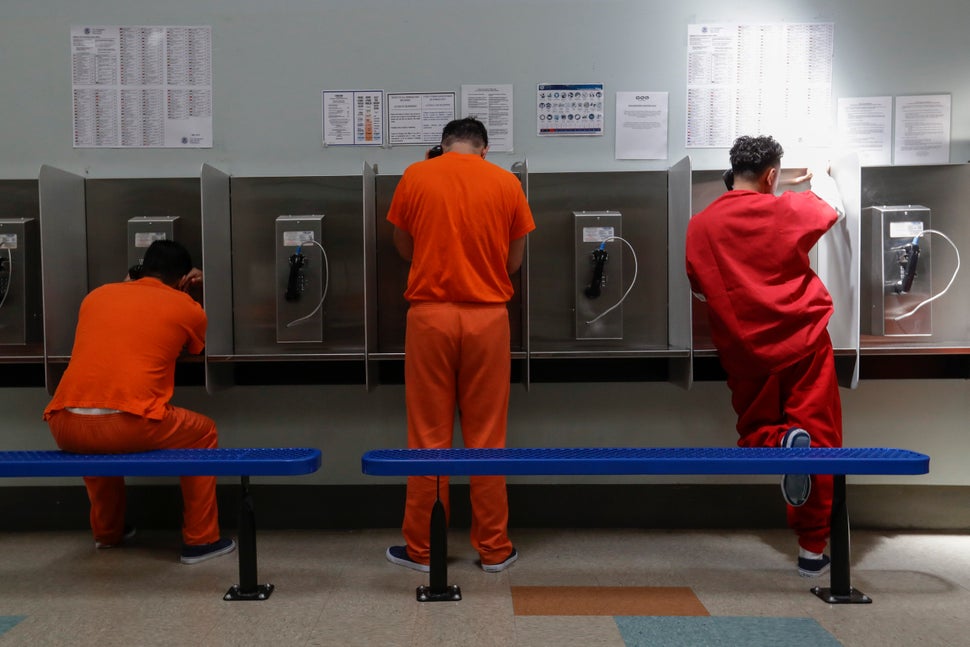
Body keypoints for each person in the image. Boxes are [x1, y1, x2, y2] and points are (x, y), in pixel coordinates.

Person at [685, 135, 846, 577]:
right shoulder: (786, 208)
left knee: (754, 429)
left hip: (745, 351)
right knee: (821, 438)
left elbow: (699, 287)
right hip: (805, 342)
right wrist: (823, 172)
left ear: (731, 173)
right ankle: (813, 553)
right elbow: (834, 208)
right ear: (771, 175)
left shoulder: (701, 225)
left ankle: (779, 443)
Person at [385, 117, 535, 573]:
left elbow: (404, 247)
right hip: (488, 319)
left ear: (443, 146)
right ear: (484, 149)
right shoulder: (506, 182)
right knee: (487, 437)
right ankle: (493, 548)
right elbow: (513, 262)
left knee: (428, 437)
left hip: (429, 318)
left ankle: (424, 549)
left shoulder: (416, 175)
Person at [43, 239, 236, 565]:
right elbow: (195, 348)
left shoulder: (95, 296)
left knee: (97, 440)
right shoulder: (185, 306)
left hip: (65, 423)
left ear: (142, 267)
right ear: (183, 278)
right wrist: (196, 292)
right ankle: (202, 540)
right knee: (204, 433)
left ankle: (107, 533)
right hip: (127, 424)